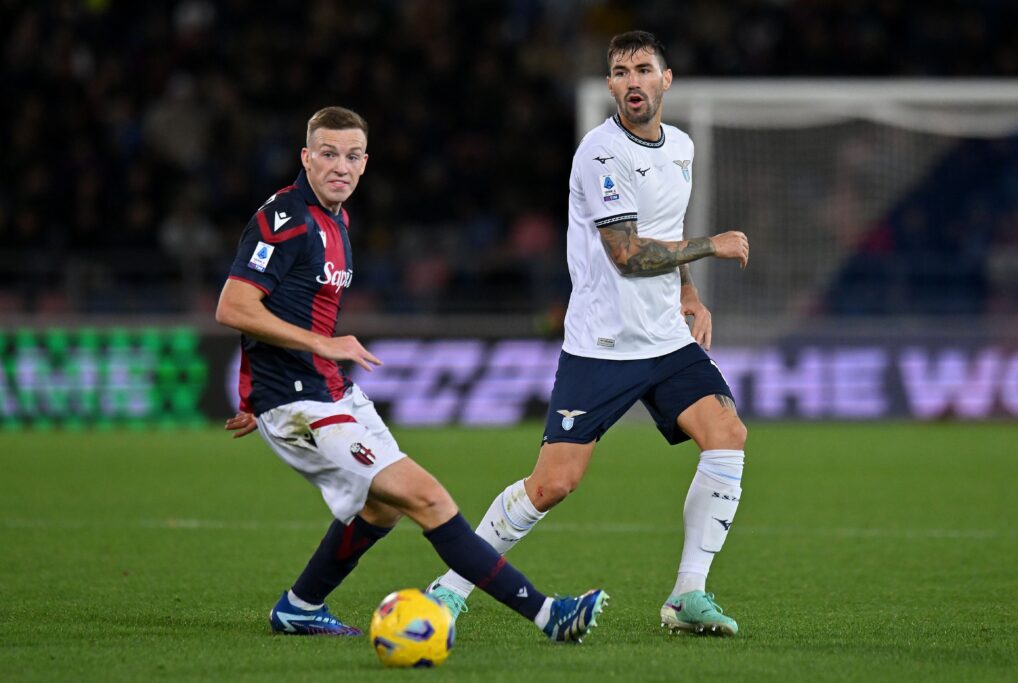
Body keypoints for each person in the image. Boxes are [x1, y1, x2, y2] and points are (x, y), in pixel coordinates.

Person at [216, 106, 607, 642]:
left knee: (382, 508)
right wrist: (293, 367)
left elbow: (281, 307)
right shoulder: (286, 219)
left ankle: (300, 606)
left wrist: (250, 390)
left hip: (326, 388)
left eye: (352, 156)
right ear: (305, 158)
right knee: (429, 499)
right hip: (302, 399)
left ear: (365, 163)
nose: (340, 167)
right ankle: (548, 615)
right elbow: (234, 306)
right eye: (327, 154)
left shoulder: (337, 220)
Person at [428, 31, 750, 636]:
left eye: (644, 69)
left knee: (727, 434)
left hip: (666, 342)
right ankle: (449, 588)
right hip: (602, 347)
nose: (633, 81)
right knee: (553, 484)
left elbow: (665, 227)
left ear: (666, 79)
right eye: (622, 72)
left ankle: (687, 595)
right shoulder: (600, 154)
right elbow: (627, 253)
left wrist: (688, 292)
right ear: (610, 86)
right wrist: (713, 247)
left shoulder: (680, 147)